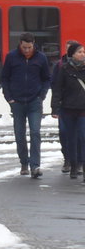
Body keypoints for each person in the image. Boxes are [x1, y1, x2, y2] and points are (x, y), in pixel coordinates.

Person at [0, 31, 51, 178]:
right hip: (17, 102)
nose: (27, 50)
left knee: (35, 133)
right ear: (20, 44)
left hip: (35, 101)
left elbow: (46, 78)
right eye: (24, 47)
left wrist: (41, 95)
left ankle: (35, 166)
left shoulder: (41, 58)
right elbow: (5, 78)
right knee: (19, 134)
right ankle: (24, 162)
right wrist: (9, 98)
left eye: (29, 47)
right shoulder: (11, 57)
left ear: (33, 44)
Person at [51, 40, 85, 180]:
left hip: (83, 109)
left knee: (83, 137)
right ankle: (73, 164)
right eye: (80, 52)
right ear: (72, 54)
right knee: (70, 138)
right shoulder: (64, 69)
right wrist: (55, 108)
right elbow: (57, 89)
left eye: (84, 52)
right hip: (68, 108)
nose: (83, 54)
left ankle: (83, 164)